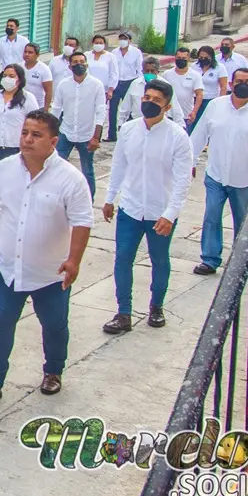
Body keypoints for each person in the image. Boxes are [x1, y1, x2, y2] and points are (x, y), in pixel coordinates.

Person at [0, 110, 93, 405]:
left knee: (54, 325)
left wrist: (74, 260)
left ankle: (53, 372)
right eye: (25, 132)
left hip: (49, 273)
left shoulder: (71, 179)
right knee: (1, 322)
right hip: (7, 267)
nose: (27, 139)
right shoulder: (5, 168)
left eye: (36, 135)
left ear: (53, 141)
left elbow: (82, 222)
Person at [101, 78, 193, 334]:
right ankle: (124, 312)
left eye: (156, 101)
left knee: (159, 260)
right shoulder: (129, 130)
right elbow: (119, 165)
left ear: (167, 106)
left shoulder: (177, 137)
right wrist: (110, 197)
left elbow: (183, 180)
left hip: (159, 212)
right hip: (130, 208)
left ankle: (156, 307)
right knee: (123, 259)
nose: (150, 103)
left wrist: (171, 214)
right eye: (146, 98)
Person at [190, 68, 248, 275]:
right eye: (239, 81)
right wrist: (190, 161)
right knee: (211, 216)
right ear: (231, 84)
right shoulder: (215, 106)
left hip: (246, 178)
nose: (243, 85)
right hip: (216, 174)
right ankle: (210, 259)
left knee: (244, 221)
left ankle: (243, 258)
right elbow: (199, 135)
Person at [0, 64, 40, 240]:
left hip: (17, 150)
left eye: (12, 76)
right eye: (5, 75)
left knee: (18, 188)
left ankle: (20, 225)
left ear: (19, 79)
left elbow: (36, 124)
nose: (8, 79)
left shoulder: (27, 99)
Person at [51, 52, 106, 197]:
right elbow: (56, 109)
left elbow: (101, 111)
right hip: (66, 131)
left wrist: (96, 137)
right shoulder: (63, 85)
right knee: (56, 165)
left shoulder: (96, 85)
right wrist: (51, 132)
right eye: (75, 62)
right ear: (70, 66)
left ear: (87, 64)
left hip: (87, 134)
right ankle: (56, 196)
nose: (79, 64)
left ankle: (88, 200)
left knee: (87, 170)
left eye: (82, 61)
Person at [119, 57, 185, 127]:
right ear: (142, 71)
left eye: (152, 71)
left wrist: (181, 125)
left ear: (157, 71)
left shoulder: (166, 86)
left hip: (159, 125)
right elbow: (125, 106)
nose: (149, 73)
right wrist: (121, 123)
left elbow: (175, 108)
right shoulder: (135, 84)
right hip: (137, 124)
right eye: (147, 71)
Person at [108, 32, 144, 142]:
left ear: (130, 40)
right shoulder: (114, 53)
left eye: (125, 38)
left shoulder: (136, 52)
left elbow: (139, 69)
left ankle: (128, 133)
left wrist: (139, 83)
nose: (122, 41)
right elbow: (112, 69)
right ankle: (112, 135)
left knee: (129, 109)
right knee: (112, 109)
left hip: (130, 82)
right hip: (117, 83)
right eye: (121, 38)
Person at [162, 47, 204, 129]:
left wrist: (194, 112)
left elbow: (199, 94)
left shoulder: (195, 75)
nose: (181, 60)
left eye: (183, 58)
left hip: (186, 115)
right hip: (169, 115)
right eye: (178, 58)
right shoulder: (166, 74)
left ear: (188, 59)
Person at [190, 45, 229, 131]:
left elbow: (223, 86)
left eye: (206, 57)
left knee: (207, 122)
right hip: (195, 98)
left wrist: (221, 101)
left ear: (211, 57)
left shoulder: (220, 68)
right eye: (201, 57)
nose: (203, 59)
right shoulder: (194, 67)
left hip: (210, 99)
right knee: (193, 121)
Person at [85, 34, 119, 104]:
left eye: (100, 43)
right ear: (92, 43)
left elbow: (114, 73)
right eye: (96, 43)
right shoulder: (86, 55)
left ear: (104, 44)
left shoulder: (110, 56)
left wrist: (110, 89)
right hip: (88, 88)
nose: (98, 45)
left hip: (103, 89)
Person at [21, 43, 54, 109]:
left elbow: (49, 92)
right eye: (25, 52)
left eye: (30, 52)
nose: (26, 54)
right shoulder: (19, 67)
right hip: (21, 106)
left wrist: (46, 109)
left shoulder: (44, 69)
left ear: (37, 55)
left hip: (38, 107)